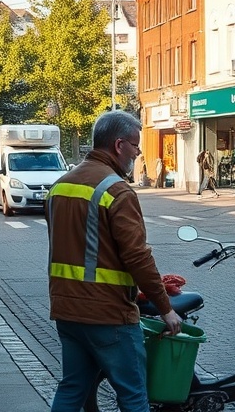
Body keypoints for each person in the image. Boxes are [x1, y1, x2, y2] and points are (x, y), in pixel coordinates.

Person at [46, 110, 181, 412]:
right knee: (133, 394)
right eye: (136, 145)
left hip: (67, 310)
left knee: (72, 388)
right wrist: (165, 309)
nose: (138, 152)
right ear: (119, 145)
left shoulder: (60, 186)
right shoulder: (116, 190)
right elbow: (137, 256)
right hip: (108, 315)